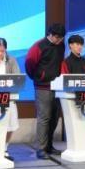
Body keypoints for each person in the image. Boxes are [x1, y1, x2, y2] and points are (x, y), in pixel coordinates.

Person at [25, 23, 66, 160]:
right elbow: (29, 63)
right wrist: (39, 77)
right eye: (57, 37)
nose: (59, 40)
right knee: (44, 118)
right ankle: (40, 149)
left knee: (54, 117)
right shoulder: (39, 46)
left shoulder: (61, 45)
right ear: (50, 34)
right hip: (42, 87)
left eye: (61, 38)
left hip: (57, 87)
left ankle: (49, 146)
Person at [0, 37, 21, 160]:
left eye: (3, 51)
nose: (0, 53)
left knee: (11, 125)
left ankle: (4, 148)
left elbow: (17, 77)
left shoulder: (11, 60)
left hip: (9, 97)